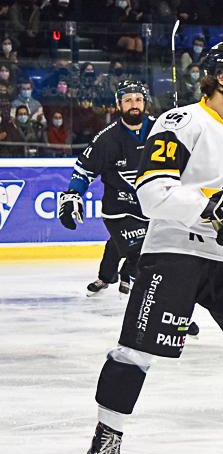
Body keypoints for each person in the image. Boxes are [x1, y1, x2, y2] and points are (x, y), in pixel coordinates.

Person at [79, 42, 223, 454]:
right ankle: (106, 440)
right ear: (222, 78)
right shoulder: (179, 122)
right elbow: (151, 194)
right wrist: (210, 210)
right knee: (138, 348)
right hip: (174, 249)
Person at [57, 80, 154, 296]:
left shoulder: (161, 130)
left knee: (118, 243)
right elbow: (84, 171)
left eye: (138, 99)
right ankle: (136, 279)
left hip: (152, 206)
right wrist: (72, 194)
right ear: (119, 104)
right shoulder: (106, 139)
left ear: (145, 102)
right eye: (128, 100)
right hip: (119, 208)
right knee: (138, 252)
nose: (134, 104)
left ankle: (107, 277)